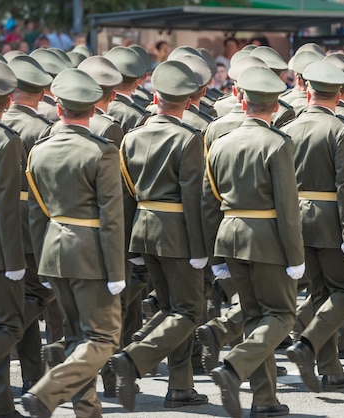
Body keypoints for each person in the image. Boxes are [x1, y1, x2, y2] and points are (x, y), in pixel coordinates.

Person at [22, 68, 125, 417]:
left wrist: (43, 262)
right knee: (103, 338)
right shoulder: (102, 151)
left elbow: (38, 214)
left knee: (79, 338)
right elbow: (112, 216)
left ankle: (87, 409)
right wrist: (116, 269)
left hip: (54, 251)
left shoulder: (40, 150)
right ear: (93, 110)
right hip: (91, 253)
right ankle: (47, 391)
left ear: (59, 107)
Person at [204, 65, 304, 418]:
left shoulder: (219, 143)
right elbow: (287, 207)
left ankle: (264, 400)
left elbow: (210, 198)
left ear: (242, 102)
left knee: (252, 317)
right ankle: (234, 366)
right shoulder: (278, 143)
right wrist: (296, 255)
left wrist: (212, 252)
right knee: (281, 315)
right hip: (266, 239)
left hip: (229, 237)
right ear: (275, 106)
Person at [110, 60, 209, 410]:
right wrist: (201, 248)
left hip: (144, 230)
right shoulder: (188, 138)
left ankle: (180, 386)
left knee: (172, 310)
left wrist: (129, 244)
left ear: (155, 97)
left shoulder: (132, 136)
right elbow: (194, 197)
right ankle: (134, 358)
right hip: (178, 234)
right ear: (189, 100)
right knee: (189, 311)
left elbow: (125, 193)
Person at [282, 60, 344, 393]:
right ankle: (308, 343)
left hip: (296, 219)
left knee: (320, 294)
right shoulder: (343, 128)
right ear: (341, 92)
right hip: (330, 221)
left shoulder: (288, 127)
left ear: (307, 88)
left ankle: (330, 368)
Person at [2, 54, 54, 396]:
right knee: (38, 294)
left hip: (0, 225)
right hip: (30, 223)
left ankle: (30, 375)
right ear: (41, 91)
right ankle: (3, 340)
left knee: (12, 302)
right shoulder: (42, 127)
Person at [0, 60, 26, 418]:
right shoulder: (4, 140)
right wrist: (15, 262)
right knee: (8, 325)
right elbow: (7, 205)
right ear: (8, 100)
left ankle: (0, 405)